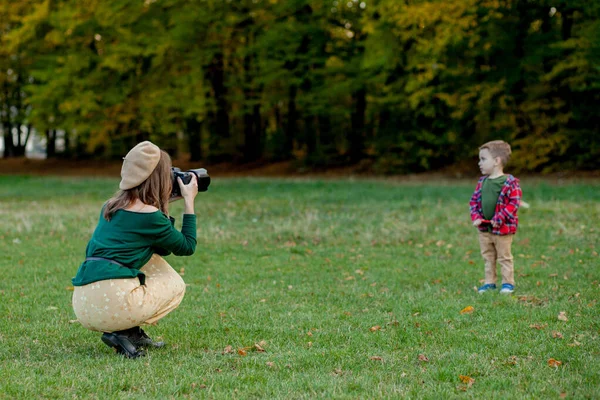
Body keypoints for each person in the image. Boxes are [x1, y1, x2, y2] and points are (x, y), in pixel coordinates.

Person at [71, 141, 199, 358]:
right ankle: (124, 329)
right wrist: (189, 202)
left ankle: (130, 332)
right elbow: (186, 246)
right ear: (159, 178)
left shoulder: (110, 206)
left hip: (83, 304)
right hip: (116, 302)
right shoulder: (150, 216)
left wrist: (162, 205)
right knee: (176, 285)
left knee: (148, 256)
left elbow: (159, 248)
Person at [469, 140, 522, 294]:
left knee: (504, 257)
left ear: (497, 161)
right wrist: (476, 217)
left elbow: (513, 204)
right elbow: (474, 201)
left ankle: (507, 283)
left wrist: (499, 218)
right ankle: (489, 282)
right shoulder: (482, 182)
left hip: (503, 229)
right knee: (488, 256)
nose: (479, 163)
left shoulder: (510, 183)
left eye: (483, 159)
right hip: (484, 229)